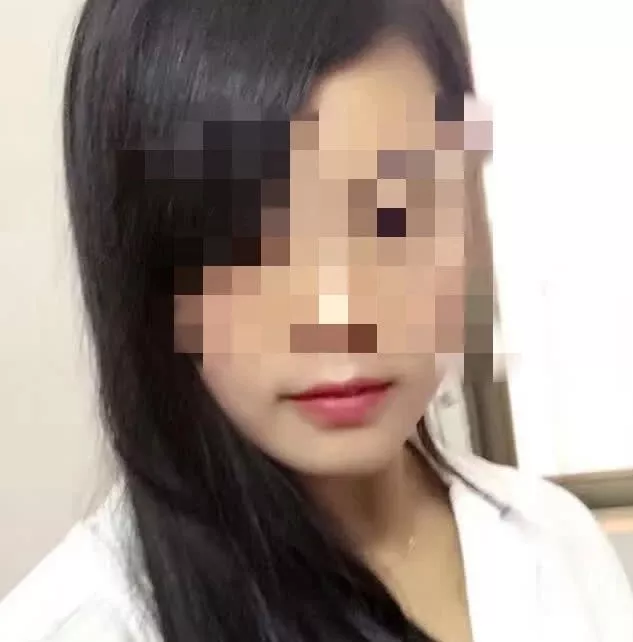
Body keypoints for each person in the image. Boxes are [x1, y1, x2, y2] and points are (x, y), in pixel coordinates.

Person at [1, 0, 632, 641]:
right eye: (249, 230)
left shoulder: (559, 541)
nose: (344, 317)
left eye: (400, 214)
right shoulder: (80, 625)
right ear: (143, 259)